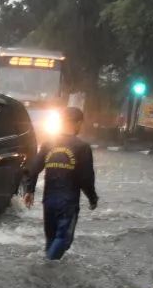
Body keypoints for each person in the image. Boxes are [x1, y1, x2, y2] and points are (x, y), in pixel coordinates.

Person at [22, 107, 98, 260]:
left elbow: (33, 169)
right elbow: (86, 178)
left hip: (48, 202)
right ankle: (46, 268)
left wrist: (29, 191)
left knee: (51, 241)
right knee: (64, 240)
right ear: (78, 123)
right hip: (68, 203)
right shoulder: (82, 147)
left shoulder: (48, 144)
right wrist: (92, 198)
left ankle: (47, 278)